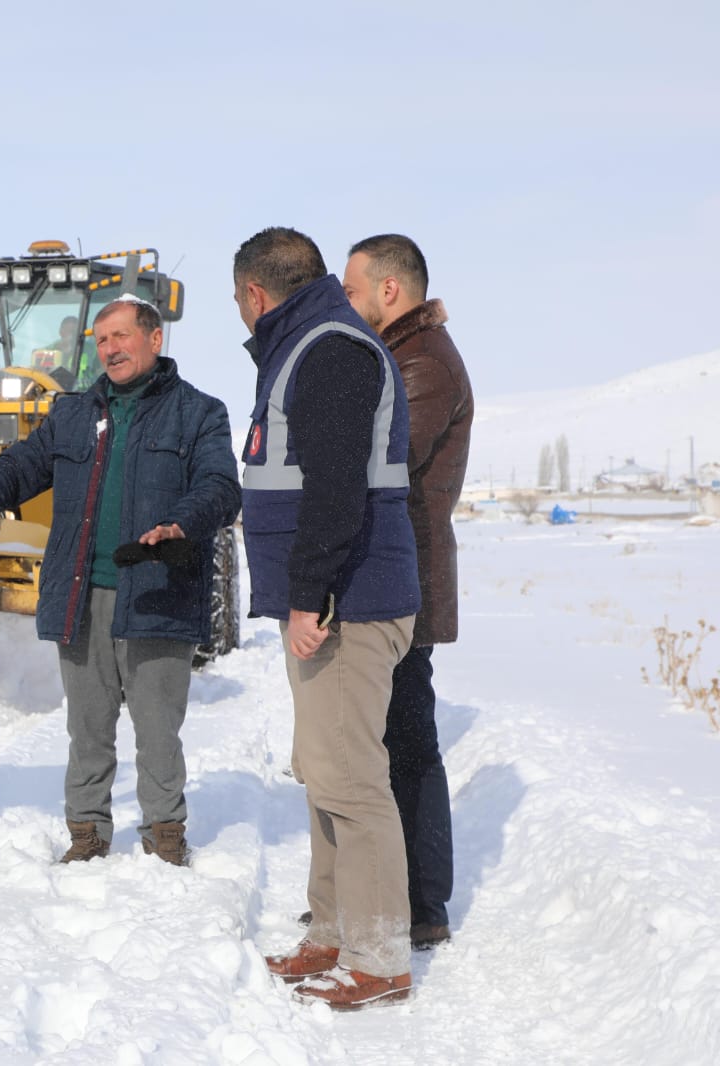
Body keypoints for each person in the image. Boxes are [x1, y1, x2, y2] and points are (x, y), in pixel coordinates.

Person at [0, 296, 241, 867]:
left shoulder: (199, 413)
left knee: (158, 728)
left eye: (120, 336)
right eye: (101, 340)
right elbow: (16, 469)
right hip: (82, 594)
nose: (109, 349)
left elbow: (220, 484)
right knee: (87, 727)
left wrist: (183, 523)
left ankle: (165, 829)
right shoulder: (72, 413)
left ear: (154, 339)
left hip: (159, 591)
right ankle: (87, 829)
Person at [233, 227, 420, 1010]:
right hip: (331, 598)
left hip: (349, 600)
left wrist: (309, 594)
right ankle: (335, 932)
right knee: (325, 777)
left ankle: (379, 957)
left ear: (252, 296)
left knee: (352, 781)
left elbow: (337, 488)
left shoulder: (328, 351)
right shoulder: (312, 343)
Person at [342, 234, 473, 950]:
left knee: (407, 742)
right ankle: (396, 893)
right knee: (385, 739)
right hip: (391, 576)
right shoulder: (403, 357)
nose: (347, 304)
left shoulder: (424, 365)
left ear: (390, 290)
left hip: (405, 581)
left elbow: (382, 461)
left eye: (354, 291)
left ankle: (423, 902)